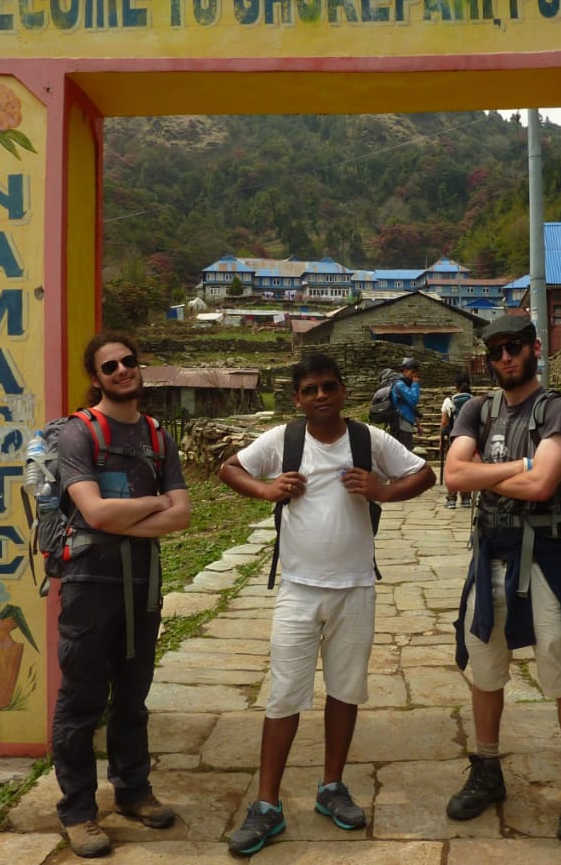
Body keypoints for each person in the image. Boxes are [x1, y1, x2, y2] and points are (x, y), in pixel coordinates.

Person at [219, 353, 435, 856]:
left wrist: (384, 489)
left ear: (343, 391)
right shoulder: (284, 440)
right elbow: (230, 469)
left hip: (355, 587)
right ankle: (267, 804)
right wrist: (267, 488)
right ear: (297, 397)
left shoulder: (366, 440)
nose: (321, 396)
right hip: (297, 587)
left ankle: (331, 787)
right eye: (310, 389)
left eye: (329, 387)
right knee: (284, 695)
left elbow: (423, 473)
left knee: (345, 690)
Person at [443, 314, 561, 844]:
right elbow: (453, 475)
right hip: (490, 552)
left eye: (513, 348)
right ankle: (487, 768)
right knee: (484, 662)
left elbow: (543, 485)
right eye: (495, 351)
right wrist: (519, 467)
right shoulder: (476, 409)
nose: (504, 358)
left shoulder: (555, 409)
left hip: (544, 555)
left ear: (535, 348)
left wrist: (496, 473)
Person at [51, 331, 191, 858]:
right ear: (96, 378)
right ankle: (79, 812)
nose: (122, 371)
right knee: (82, 699)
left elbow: (184, 516)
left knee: (133, 697)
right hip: (89, 585)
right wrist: (154, 503)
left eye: (129, 362)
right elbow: (94, 513)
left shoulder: (158, 438)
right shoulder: (78, 434)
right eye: (110, 367)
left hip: (142, 585)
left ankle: (133, 792)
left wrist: (124, 516)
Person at [440, 374, 474, 509]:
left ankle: (451, 499)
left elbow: (444, 422)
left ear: (456, 386)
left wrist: (441, 439)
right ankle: (466, 499)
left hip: (454, 439)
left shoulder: (449, 401)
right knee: (468, 468)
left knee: (453, 469)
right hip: (470, 439)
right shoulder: (475, 401)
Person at [390, 357, 422, 449]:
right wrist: (415, 384)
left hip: (407, 422)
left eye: (416, 372)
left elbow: (412, 406)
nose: (414, 375)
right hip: (401, 422)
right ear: (405, 370)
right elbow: (413, 400)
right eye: (412, 372)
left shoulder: (406, 385)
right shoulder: (399, 385)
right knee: (404, 452)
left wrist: (418, 424)